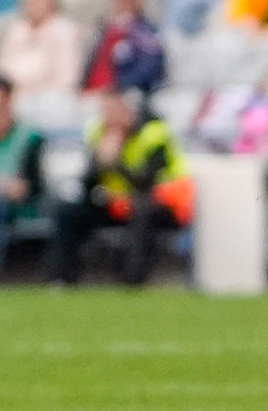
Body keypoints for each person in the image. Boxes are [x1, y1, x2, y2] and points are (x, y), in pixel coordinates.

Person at [47, 88, 194, 287]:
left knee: (142, 210)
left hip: (163, 204)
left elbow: (147, 183)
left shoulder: (153, 133)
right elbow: (88, 185)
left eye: (115, 111)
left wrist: (116, 162)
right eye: (105, 111)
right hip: (117, 204)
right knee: (68, 211)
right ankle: (61, 280)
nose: (110, 117)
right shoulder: (98, 132)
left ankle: (131, 281)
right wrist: (98, 161)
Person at [0, 75, 45, 285]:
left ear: (6, 97)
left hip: (14, 203)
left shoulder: (29, 136)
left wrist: (19, 188)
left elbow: (35, 184)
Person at [0, 0, 83, 100]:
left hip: (49, 98)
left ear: (52, 1)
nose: (35, 4)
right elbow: (3, 68)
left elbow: (67, 78)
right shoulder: (16, 30)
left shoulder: (64, 30)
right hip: (13, 97)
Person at [81, 0, 166, 95]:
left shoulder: (146, 32)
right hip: (91, 96)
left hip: (123, 96)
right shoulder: (103, 30)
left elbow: (150, 70)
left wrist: (112, 90)